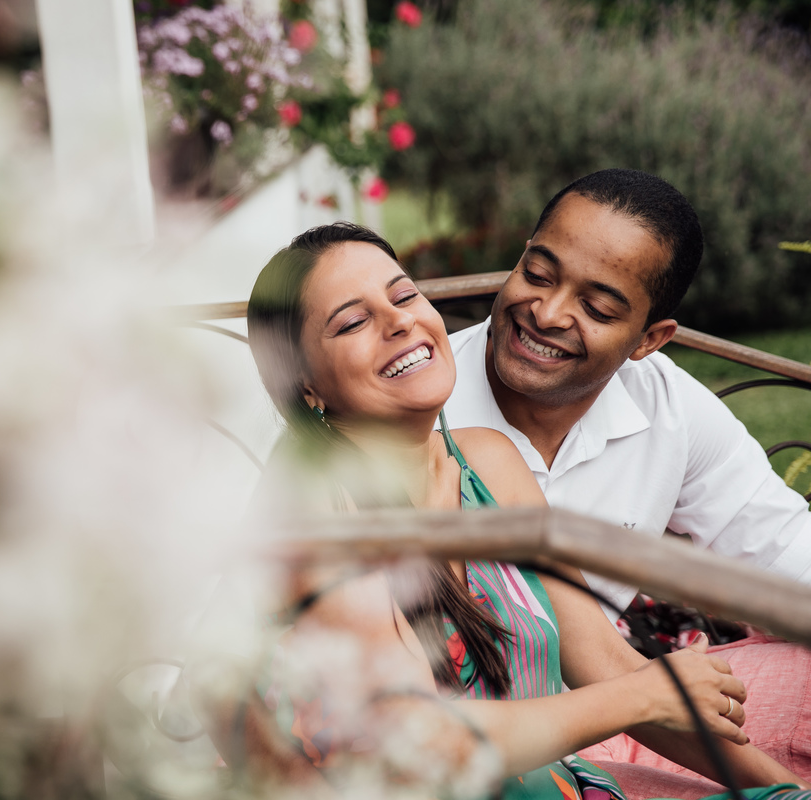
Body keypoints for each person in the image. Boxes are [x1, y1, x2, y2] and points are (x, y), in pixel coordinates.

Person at [211, 221, 809, 800]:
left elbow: (599, 660)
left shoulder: (487, 462)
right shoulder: (321, 515)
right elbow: (419, 745)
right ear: (305, 386)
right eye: (353, 323)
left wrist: (783, 787)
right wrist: (647, 696)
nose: (400, 322)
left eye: (404, 295)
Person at [440, 169, 811, 790]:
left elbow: (788, 559)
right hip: (488, 749)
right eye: (537, 273)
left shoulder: (670, 410)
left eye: (598, 306)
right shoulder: (421, 413)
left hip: (631, 718)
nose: (547, 313)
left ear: (649, 339)